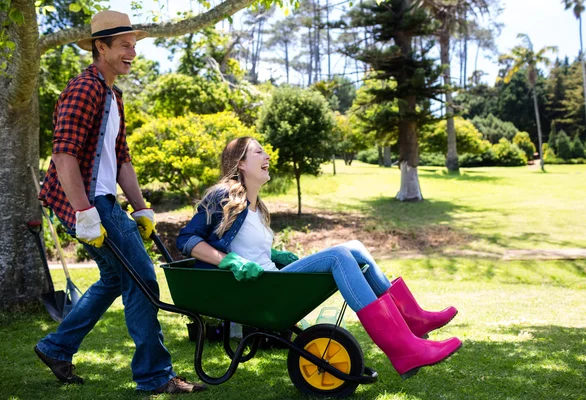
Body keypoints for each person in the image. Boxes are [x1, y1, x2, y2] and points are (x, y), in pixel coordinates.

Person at [177, 136, 462, 379]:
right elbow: (187, 240)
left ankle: (413, 321)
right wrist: (228, 261)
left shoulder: (256, 207)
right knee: (340, 255)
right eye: (258, 151)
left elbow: (245, 246)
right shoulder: (221, 196)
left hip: (270, 283)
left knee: (356, 247)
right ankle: (405, 348)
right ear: (240, 163)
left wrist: (273, 254)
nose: (267, 155)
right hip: (260, 290)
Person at [34, 11, 205, 394]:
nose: (132, 52)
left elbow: (122, 157)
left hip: (104, 200)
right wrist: (84, 213)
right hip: (91, 203)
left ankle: (56, 347)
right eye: (125, 45)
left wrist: (141, 207)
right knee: (143, 279)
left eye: (134, 45)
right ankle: (155, 376)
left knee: (114, 279)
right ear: (101, 47)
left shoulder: (113, 94)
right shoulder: (84, 89)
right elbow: (64, 156)